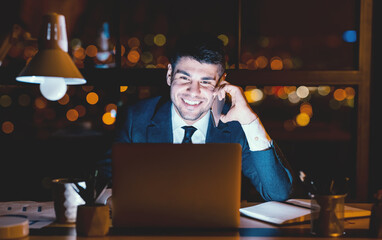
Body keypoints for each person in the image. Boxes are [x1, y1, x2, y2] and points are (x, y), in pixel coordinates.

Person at [98, 34, 294, 202]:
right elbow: (104, 181)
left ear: (221, 83)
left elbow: (277, 193)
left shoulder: (236, 126)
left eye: (206, 82)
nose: (193, 92)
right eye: (184, 78)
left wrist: (250, 121)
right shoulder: (135, 118)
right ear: (169, 75)